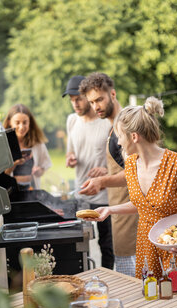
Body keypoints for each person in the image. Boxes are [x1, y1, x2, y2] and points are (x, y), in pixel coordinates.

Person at [86, 96, 177, 308]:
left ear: (134, 136)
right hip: (146, 249)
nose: (118, 143)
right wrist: (110, 209)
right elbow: (143, 204)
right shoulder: (131, 165)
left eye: (119, 137)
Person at [79, 73, 138, 277]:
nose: (96, 106)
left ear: (112, 94)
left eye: (99, 99)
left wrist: (102, 181)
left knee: (133, 288)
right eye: (92, 102)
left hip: (132, 222)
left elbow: (139, 173)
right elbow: (128, 166)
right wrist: (107, 171)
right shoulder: (114, 127)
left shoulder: (124, 128)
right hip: (122, 217)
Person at [62, 75, 114, 270]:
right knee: (81, 244)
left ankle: (109, 278)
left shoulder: (107, 122)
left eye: (78, 99)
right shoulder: (71, 121)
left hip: (104, 194)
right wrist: (70, 158)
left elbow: (122, 159)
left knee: (106, 244)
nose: (75, 104)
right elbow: (70, 151)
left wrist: (107, 170)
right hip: (81, 193)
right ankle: (87, 279)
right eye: (72, 100)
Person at [3, 104, 52, 189]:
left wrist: (38, 171)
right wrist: (15, 163)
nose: (21, 127)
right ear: (9, 122)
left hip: (32, 190)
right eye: (17, 123)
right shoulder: (3, 144)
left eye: (25, 122)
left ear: (30, 122)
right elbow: (0, 177)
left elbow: (44, 166)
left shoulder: (37, 143)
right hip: (11, 193)